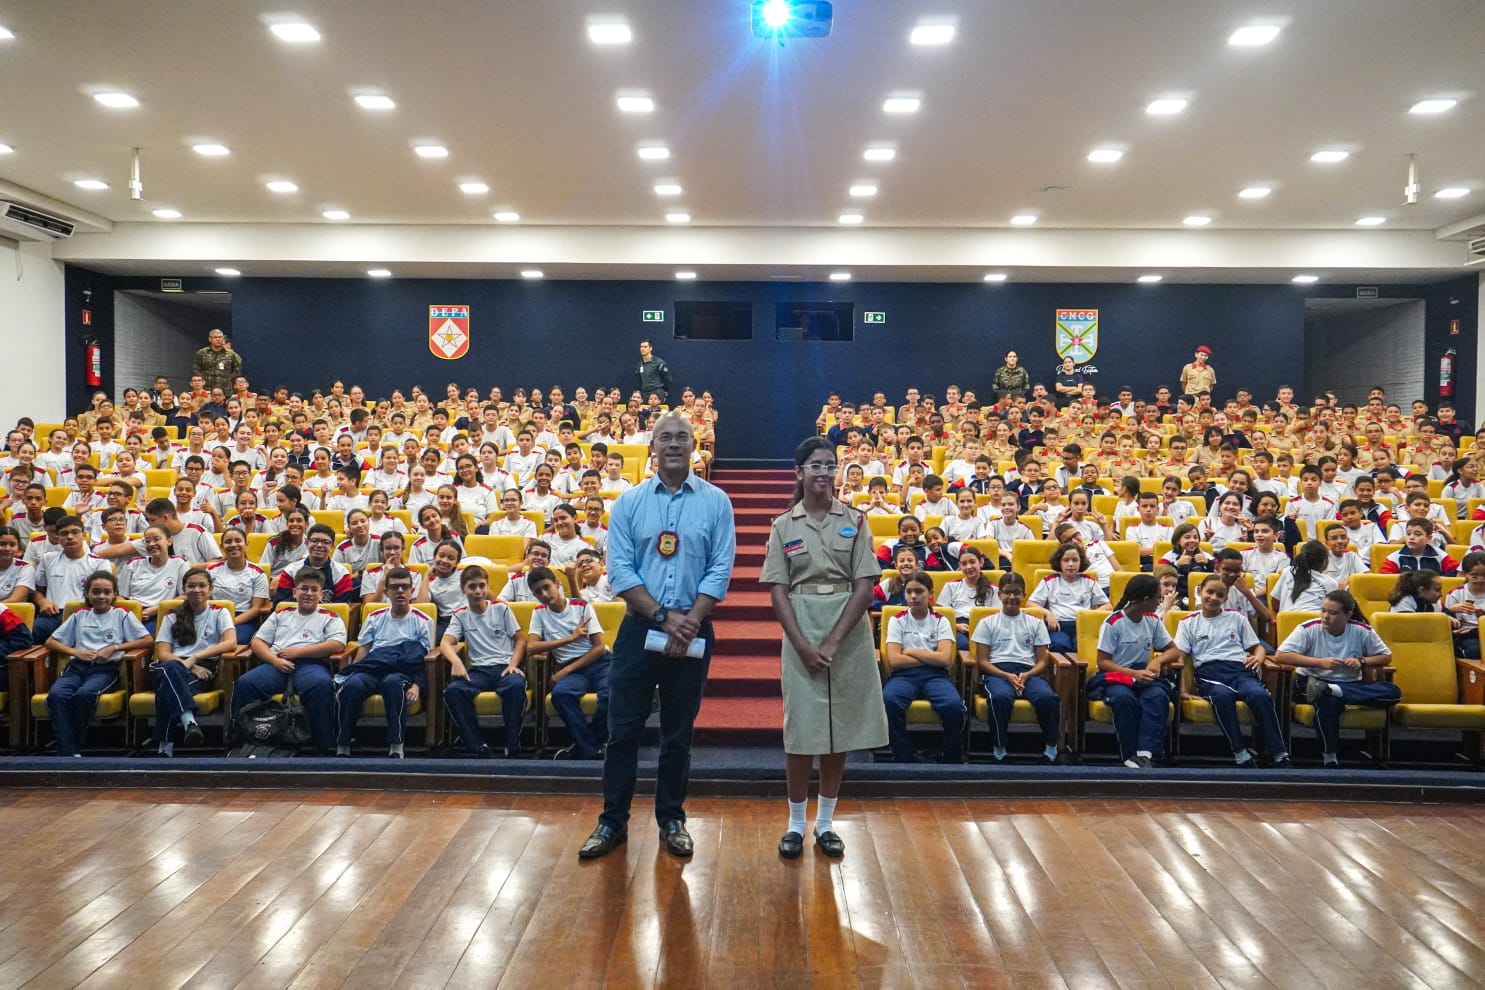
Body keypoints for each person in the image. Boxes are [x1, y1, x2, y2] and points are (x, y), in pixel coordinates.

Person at [580, 412, 735, 861]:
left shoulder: (716, 501)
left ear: (694, 446)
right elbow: (619, 570)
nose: (673, 444)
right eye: (664, 437)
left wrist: (689, 621)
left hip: (695, 630)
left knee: (678, 735)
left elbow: (720, 566)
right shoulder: (629, 502)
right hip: (638, 630)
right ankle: (612, 821)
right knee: (623, 733)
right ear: (652, 446)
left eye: (681, 437)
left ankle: (672, 819)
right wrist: (666, 617)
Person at [761, 436, 887, 860]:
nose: (822, 472)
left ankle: (827, 824)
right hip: (799, 625)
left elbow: (866, 585)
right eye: (814, 465)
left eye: (829, 465)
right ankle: (796, 824)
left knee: (840, 731)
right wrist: (802, 644)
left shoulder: (856, 520)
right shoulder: (783, 525)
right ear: (799, 472)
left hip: (847, 630)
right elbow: (778, 590)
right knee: (802, 732)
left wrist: (833, 640)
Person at [1174, 574, 1290, 768]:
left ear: (1226, 598)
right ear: (1199, 591)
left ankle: (1278, 751)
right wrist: (1183, 691)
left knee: (1259, 695)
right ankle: (1240, 752)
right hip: (1209, 672)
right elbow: (1181, 658)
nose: (1213, 597)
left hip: (1239, 669)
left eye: (1220, 595)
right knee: (1222, 697)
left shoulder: (1237, 618)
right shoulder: (1187, 623)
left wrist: (1259, 657)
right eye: (1209, 592)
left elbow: (1257, 647)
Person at [1275, 590, 1400, 766]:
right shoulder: (1308, 628)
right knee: (1329, 702)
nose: (1325, 616)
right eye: (1323, 610)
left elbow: (1385, 656)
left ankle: (1335, 690)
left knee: (1393, 692)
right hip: (1311, 682)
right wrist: (1319, 662)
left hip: (1350, 684)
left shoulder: (1361, 630)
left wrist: (1362, 661)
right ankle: (1330, 756)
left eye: (1332, 613)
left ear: (1348, 614)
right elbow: (1281, 655)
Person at [235, 566, 345, 753]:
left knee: (321, 685)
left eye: (314, 589)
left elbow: (337, 644)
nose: (308, 593)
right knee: (246, 683)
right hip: (276, 663)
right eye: (303, 588)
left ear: (322, 594)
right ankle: (242, 740)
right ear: (294, 592)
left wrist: (297, 653)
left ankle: (323, 744)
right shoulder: (280, 614)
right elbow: (258, 642)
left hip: (311, 663)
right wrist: (274, 660)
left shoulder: (330, 617)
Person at [44, 570, 152, 757]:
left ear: (114, 594)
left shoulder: (122, 614)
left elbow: (148, 640)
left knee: (84, 695)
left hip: (104, 670)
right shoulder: (80, 615)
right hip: (77, 667)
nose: (101, 596)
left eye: (106, 592)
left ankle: (71, 747)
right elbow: (51, 641)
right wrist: (76, 652)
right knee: (56, 695)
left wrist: (115, 647)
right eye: (96, 592)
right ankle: (69, 750)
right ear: (87, 593)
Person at [333, 567, 433, 757]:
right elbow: (364, 650)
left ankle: (396, 745)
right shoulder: (374, 617)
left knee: (392, 683)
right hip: (374, 667)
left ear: (412, 590)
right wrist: (351, 673)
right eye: (395, 587)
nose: (400, 592)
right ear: (386, 592)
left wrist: (417, 685)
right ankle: (343, 744)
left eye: (405, 587)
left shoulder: (422, 620)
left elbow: (422, 659)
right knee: (352, 685)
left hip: (401, 671)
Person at [1089, 574, 1181, 768]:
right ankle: (1129, 754)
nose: (1160, 600)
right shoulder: (1113, 623)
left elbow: (1173, 651)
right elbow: (1103, 662)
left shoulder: (1152, 620)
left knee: (1157, 696)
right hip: (1117, 676)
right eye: (1158, 597)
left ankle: (1146, 752)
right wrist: (1133, 675)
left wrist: (1157, 662)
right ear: (1146, 599)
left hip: (1143, 674)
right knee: (1124, 700)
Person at [971, 572, 1064, 763]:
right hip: (997, 672)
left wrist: (1027, 675)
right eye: (1007, 593)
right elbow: (983, 661)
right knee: (1000, 697)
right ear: (999, 595)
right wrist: (1007, 676)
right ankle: (999, 747)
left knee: (1048, 698)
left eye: (1017, 593)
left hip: (1029, 672)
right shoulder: (987, 623)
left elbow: (1042, 661)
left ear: (1024, 595)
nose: (1012, 597)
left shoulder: (1036, 623)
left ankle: (1051, 746)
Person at [440, 564, 529, 758]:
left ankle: (512, 744)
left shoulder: (501, 609)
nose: (478, 591)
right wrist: (456, 661)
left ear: (487, 586)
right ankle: (478, 745)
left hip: (505, 667)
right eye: (472, 587)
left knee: (515, 686)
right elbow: (445, 643)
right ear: (463, 589)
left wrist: (513, 665)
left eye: (482, 586)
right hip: (479, 671)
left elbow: (520, 640)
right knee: (453, 692)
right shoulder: (461, 614)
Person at [148, 568, 237, 756]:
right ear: (184, 589)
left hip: (203, 669)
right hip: (171, 665)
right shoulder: (172, 615)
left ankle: (165, 746)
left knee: (168, 688)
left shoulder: (219, 613)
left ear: (210, 588)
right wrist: (189, 664)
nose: (196, 590)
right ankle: (190, 722)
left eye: (202, 585)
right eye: (191, 586)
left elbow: (231, 642)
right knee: (169, 669)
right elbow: (163, 653)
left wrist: (196, 658)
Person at [526, 566, 610, 759]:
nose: (544, 594)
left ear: (557, 583)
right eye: (538, 592)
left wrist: (564, 672)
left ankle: (588, 745)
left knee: (611, 695)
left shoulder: (581, 606)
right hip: (573, 669)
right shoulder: (539, 612)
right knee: (561, 695)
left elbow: (598, 647)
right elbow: (531, 647)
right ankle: (592, 749)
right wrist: (570, 639)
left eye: (547, 587)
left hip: (599, 662)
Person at [882, 572, 965, 766]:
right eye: (909, 592)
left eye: (919, 592)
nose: (913, 597)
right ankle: (903, 755)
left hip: (936, 676)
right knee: (889, 700)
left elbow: (945, 660)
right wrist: (930, 656)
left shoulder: (941, 620)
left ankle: (947, 755)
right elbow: (894, 661)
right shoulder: (897, 620)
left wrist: (910, 651)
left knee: (954, 706)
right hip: (903, 676)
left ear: (930, 593)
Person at [192, 328, 242, 396]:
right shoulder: (202, 353)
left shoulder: (231, 354)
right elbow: (196, 368)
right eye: (215, 337)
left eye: (220, 337)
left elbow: (237, 370)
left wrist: (228, 378)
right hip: (207, 389)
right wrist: (202, 379)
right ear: (210, 339)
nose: (218, 339)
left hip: (225, 390)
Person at [634, 339, 672, 404]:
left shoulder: (658, 362)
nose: (642, 349)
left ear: (650, 348)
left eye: (645, 347)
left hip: (657, 392)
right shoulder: (639, 364)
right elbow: (639, 381)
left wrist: (665, 392)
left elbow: (667, 379)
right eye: (641, 347)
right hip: (645, 393)